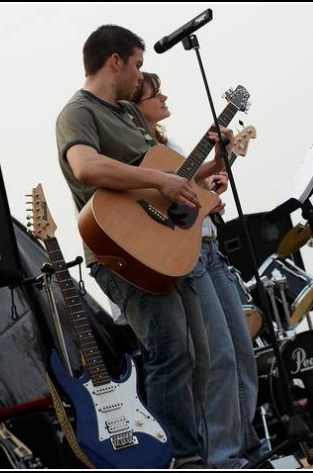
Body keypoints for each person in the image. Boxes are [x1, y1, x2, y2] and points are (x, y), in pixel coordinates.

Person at [55, 25, 230, 468]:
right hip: (119, 254)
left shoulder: (131, 116)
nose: (141, 75)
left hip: (163, 249)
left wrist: (210, 165)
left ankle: (198, 455)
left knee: (201, 356)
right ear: (115, 61)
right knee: (172, 352)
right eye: (137, 63)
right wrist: (159, 180)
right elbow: (85, 166)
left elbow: (167, 179)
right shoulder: (77, 113)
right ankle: (180, 460)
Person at [129, 72, 265, 468]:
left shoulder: (168, 143)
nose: (165, 96)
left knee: (241, 351)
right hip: (186, 257)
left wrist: (216, 172)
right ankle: (222, 458)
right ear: (138, 105)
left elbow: (189, 191)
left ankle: (247, 446)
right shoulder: (139, 150)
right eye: (156, 94)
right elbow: (155, 202)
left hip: (211, 248)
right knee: (218, 357)